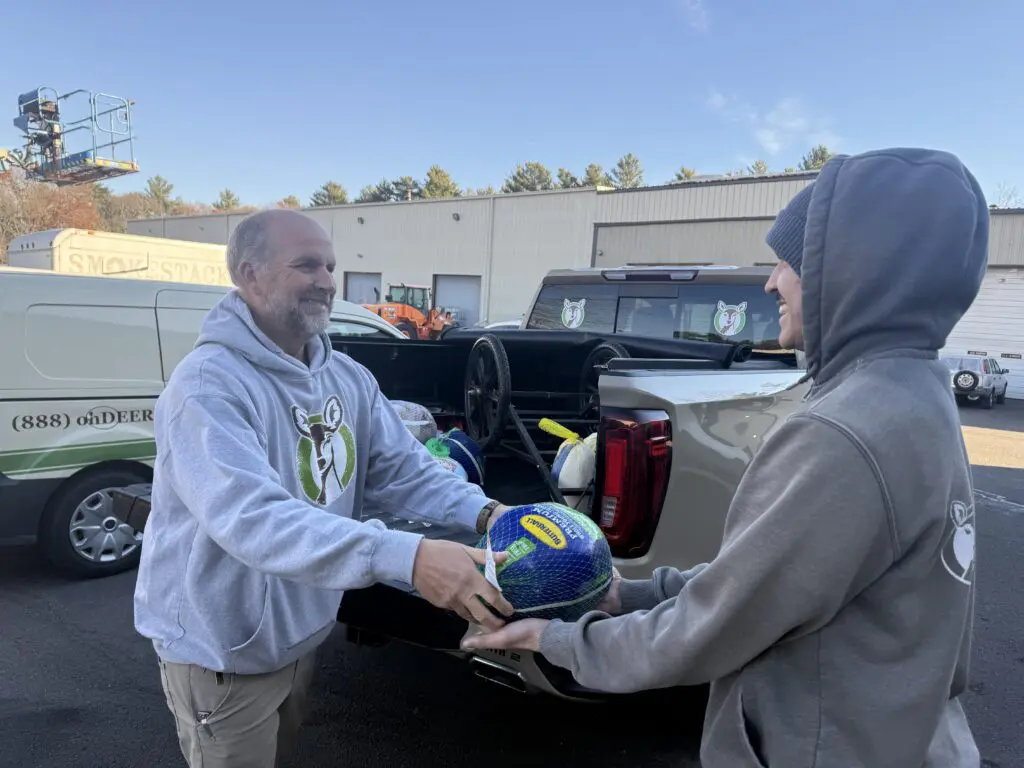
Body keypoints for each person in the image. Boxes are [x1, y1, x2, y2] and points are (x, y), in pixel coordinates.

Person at [463, 147, 987, 767]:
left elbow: (710, 629)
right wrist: (624, 596)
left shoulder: (842, 433)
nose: (771, 283)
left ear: (848, 271)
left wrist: (560, 640)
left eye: (788, 263)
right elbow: (758, 584)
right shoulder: (919, 390)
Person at [134, 208, 513, 768]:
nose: (327, 281)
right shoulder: (207, 387)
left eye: (331, 266)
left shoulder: (347, 378)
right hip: (223, 657)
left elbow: (406, 471)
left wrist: (489, 515)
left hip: (299, 637)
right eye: (306, 265)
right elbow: (253, 519)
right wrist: (409, 557)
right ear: (249, 274)